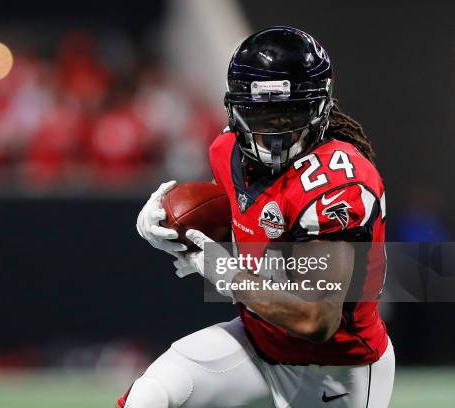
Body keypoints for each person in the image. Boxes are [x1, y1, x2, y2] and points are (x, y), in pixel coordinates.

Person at [118, 26, 394, 408]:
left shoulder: (336, 184)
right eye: (262, 114)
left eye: (290, 112)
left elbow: (315, 320)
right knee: (152, 395)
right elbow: (252, 225)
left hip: (335, 366)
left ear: (322, 107)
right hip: (257, 341)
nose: (277, 132)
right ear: (237, 110)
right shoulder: (226, 151)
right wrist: (163, 221)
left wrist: (225, 274)